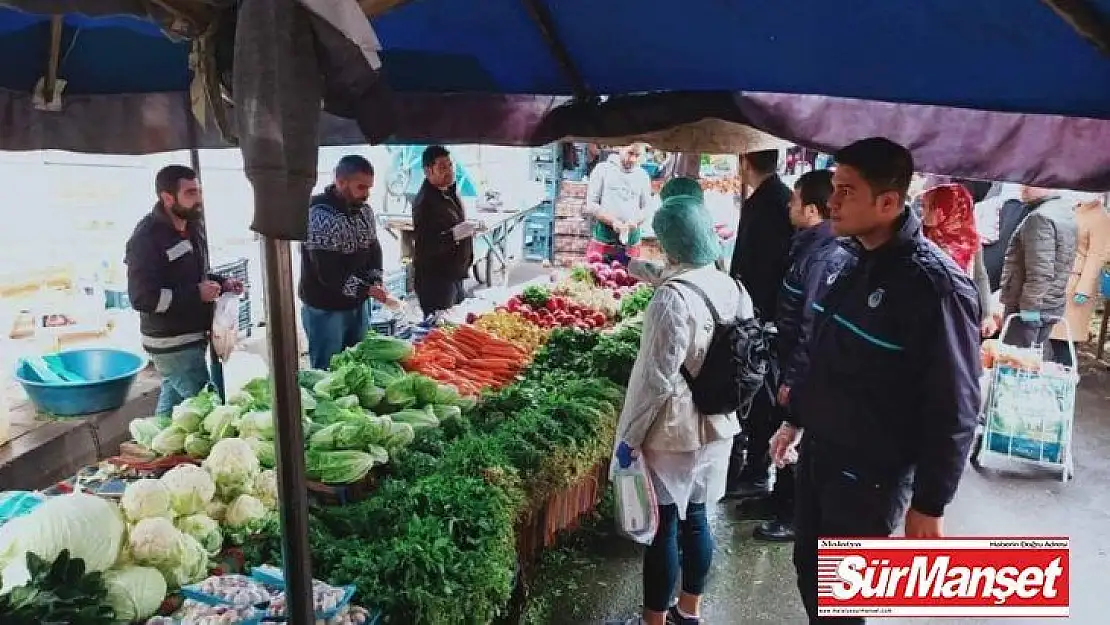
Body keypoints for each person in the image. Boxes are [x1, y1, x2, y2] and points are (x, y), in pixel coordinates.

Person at [769, 137, 980, 624]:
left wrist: (930, 502)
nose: (833, 201)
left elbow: (955, 405)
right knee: (809, 572)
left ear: (887, 203)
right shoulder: (845, 257)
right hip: (821, 453)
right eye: (834, 187)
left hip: (872, 475)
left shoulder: (935, 286)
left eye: (846, 191)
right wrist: (794, 419)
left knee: (843, 599)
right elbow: (821, 349)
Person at [611, 194, 753, 625]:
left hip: (673, 432)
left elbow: (654, 380)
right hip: (719, 426)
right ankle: (689, 612)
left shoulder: (671, 299)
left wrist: (628, 439)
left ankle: (654, 620)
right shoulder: (733, 285)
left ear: (672, 243)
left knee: (662, 529)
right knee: (698, 518)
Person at [750, 169, 846, 543]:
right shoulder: (808, 246)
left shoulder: (824, 257)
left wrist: (793, 380)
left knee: (794, 437)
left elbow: (811, 327)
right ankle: (778, 499)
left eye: (793, 200)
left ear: (809, 209)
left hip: (799, 368)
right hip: (787, 359)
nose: (788, 206)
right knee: (781, 433)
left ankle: (791, 514)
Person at [126, 165, 244, 416]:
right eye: (190, 193)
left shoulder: (192, 227)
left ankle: (152, 448)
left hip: (191, 336)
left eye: (199, 192)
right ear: (167, 198)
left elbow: (193, 276)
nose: (199, 199)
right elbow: (142, 297)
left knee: (173, 409)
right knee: (209, 410)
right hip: (172, 343)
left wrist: (221, 284)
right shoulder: (146, 238)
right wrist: (195, 294)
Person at [727, 148, 794, 499]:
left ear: (745, 162)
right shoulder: (780, 199)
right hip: (772, 315)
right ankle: (755, 468)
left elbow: (755, 265)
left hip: (762, 318)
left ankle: (755, 471)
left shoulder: (765, 204)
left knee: (761, 397)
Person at [299, 155, 389, 370]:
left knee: (358, 366)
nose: (366, 194)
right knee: (328, 370)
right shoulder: (319, 215)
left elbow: (373, 248)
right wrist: (367, 289)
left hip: (357, 303)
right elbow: (329, 273)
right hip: (326, 308)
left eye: (369, 188)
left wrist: (375, 279)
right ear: (340, 182)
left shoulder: (365, 211)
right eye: (361, 187)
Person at [998, 187, 1078, 361]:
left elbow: (1039, 272)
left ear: (1049, 185)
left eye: (1031, 183)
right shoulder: (1063, 210)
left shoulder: (1040, 218)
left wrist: (1028, 311)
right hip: (1050, 303)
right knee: (1035, 359)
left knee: (1016, 364)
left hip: (1030, 308)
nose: (1023, 188)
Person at [919, 184, 1000, 337]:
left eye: (927, 207)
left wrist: (987, 315)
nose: (922, 213)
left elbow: (980, 277)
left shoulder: (970, 241)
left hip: (957, 315)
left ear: (944, 210)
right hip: (925, 315)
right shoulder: (920, 238)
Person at [411, 145, 474, 317]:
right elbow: (426, 246)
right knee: (440, 330)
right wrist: (454, 235)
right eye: (442, 167)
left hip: (455, 274)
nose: (449, 171)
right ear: (428, 171)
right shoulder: (424, 203)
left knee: (458, 327)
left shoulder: (450, 191)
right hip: (436, 281)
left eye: (450, 165)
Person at [1049, 193, 1110, 366]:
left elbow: (1096, 256)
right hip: (1058, 278)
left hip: (1076, 282)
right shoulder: (1074, 208)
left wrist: (1084, 288)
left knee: (1065, 340)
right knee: (1051, 337)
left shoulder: (1100, 217)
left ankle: (1064, 384)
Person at [584, 143, 653, 264]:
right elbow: (591, 204)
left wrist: (635, 221)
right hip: (604, 236)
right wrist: (613, 221)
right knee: (598, 275)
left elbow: (647, 208)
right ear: (621, 148)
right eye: (630, 153)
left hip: (631, 239)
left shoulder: (642, 176)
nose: (632, 159)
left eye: (637, 155)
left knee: (628, 278)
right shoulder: (603, 169)